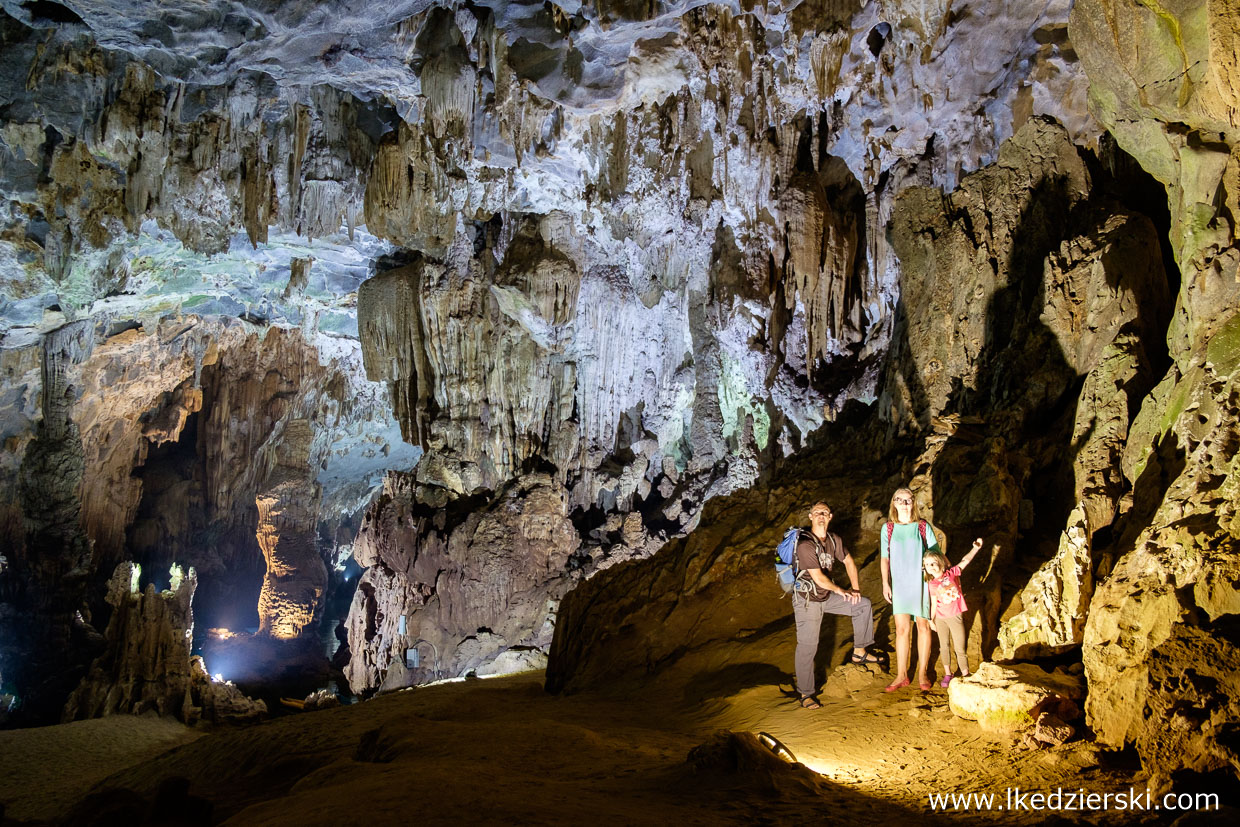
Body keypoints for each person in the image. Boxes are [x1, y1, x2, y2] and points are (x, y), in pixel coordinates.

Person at [793, 501, 882, 709]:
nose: (821, 516)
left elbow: (849, 562)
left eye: (825, 512)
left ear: (830, 516)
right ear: (810, 517)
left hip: (825, 596)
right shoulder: (805, 544)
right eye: (817, 513)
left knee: (862, 605)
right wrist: (842, 591)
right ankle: (806, 694)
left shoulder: (834, 540)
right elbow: (818, 578)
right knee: (808, 646)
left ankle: (860, 652)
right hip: (807, 600)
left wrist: (856, 590)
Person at [880, 487, 939, 692]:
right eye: (900, 500)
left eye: (908, 500)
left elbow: (935, 552)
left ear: (913, 503)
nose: (904, 503)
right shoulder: (888, 529)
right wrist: (885, 583)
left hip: (920, 581)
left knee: (923, 626)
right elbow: (884, 558)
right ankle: (901, 674)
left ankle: (922, 672)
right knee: (902, 629)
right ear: (894, 503)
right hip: (900, 583)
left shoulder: (922, 527)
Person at [924, 538, 984, 687]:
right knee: (944, 646)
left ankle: (965, 673)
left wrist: (975, 548)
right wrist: (931, 620)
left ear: (941, 563)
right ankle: (948, 673)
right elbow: (933, 603)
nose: (930, 567)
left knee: (959, 647)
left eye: (933, 563)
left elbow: (965, 560)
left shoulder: (952, 573)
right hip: (941, 618)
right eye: (927, 565)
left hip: (955, 616)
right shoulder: (931, 584)